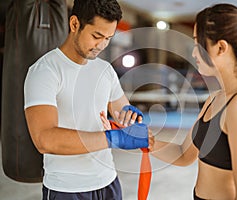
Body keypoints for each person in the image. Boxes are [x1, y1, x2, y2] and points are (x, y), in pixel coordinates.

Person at [147, 3, 237, 200]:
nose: (194, 53)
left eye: (197, 43)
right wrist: (144, 141)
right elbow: (184, 154)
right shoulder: (217, 97)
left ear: (221, 47)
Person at [24, 0, 153, 199]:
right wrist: (113, 138)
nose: (102, 45)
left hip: (108, 181)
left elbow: (123, 112)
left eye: (108, 38)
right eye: (96, 36)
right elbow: (44, 139)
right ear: (74, 24)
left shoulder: (105, 70)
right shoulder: (45, 71)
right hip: (67, 188)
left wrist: (132, 120)